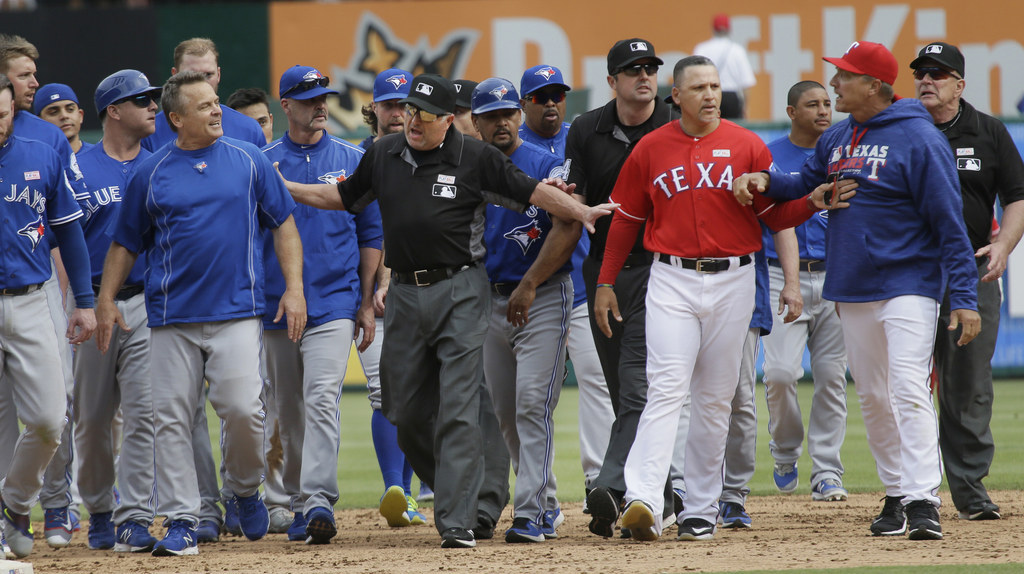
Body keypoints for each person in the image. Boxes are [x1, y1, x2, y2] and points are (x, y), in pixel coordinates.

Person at [276, 73, 615, 549]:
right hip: (407, 296)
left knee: (458, 404)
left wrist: (580, 212)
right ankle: (476, 489)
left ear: (449, 121)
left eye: (427, 115)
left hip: (461, 289)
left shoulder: (475, 157)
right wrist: (287, 186)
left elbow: (533, 192)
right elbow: (344, 198)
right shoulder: (383, 154)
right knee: (402, 408)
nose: (414, 121)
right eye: (412, 110)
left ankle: (459, 520)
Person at [734, 40, 982, 541]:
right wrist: (764, 178)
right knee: (871, 395)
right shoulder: (839, 137)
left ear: (873, 85)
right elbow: (803, 182)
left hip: (908, 281)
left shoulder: (920, 138)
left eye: (844, 76)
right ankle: (896, 492)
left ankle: (922, 499)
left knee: (908, 387)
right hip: (853, 286)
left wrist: (965, 298)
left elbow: (950, 225)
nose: (834, 84)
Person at [596, 55, 834, 542]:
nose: (709, 94)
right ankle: (643, 497)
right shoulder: (650, 148)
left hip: (735, 279)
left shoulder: (745, 144)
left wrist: (809, 203)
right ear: (675, 96)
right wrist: (605, 282)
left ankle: (700, 509)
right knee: (665, 387)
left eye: (715, 86)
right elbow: (625, 220)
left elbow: (775, 215)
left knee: (714, 399)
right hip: (671, 277)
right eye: (699, 87)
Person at [95, 69, 307, 557]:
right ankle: (183, 520)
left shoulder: (248, 158)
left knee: (243, 411)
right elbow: (125, 243)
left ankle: (245, 488)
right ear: (176, 118)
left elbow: (285, 225)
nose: (217, 110)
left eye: (216, 102)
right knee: (170, 419)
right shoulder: (152, 171)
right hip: (171, 317)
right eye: (205, 105)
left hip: (237, 311)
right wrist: (106, 300)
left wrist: (293, 289)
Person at [262, 65, 383, 545]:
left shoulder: (354, 158)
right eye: (309, 98)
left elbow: (371, 232)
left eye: (323, 97)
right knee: (286, 409)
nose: (319, 105)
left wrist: (366, 300)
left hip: (334, 300)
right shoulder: (263, 161)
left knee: (321, 398)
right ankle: (296, 502)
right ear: (285, 105)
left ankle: (317, 501)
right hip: (276, 302)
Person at [566, 37, 677, 538]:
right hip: (605, 271)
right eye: (632, 69)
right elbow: (577, 203)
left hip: (663, 269)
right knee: (620, 389)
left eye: (650, 67)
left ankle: (611, 489)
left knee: (637, 387)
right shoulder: (587, 128)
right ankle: (662, 493)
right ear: (612, 81)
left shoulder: (675, 121)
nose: (644, 75)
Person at [910, 42, 1024, 522]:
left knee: (968, 382)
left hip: (971, 270)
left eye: (939, 73)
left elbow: (1016, 197)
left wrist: (1003, 246)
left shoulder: (989, 131)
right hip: (909, 273)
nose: (927, 80)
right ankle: (908, 491)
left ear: (960, 84)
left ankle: (970, 491)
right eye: (920, 73)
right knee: (903, 383)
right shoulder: (902, 130)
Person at [471, 77, 574, 543]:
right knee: (507, 412)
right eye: (491, 116)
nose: (502, 122)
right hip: (487, 299)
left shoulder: (546, 165)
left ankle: (530, 511)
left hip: (543, 295)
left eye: (509, 113)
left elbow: (569, 226)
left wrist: (531, 284)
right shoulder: (466, 168)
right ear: (476, 123)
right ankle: (546, 500)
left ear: (519, 115)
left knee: (534, 403)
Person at [0, 74, 97, 560]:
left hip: (32, 296)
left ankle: (13, 500)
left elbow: (68, 227)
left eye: (3, 115)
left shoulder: (43, 144)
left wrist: (83, 299)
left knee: (47, 419)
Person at [71, 69, 162, 554]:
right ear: (113, 111)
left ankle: (133, 517)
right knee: (92, 416)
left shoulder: (162, 163)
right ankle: (100, 508)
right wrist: (76, 306)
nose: (153, 106)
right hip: (90, 303)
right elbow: (64, 243)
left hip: (147, 300)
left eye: (154, 98)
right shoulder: (79, 167)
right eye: (141, 100)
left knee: (144, 414)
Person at [519, 64, 614, 504]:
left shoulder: (580, 138)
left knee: (596, 380)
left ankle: (599, 480)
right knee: (533, 399)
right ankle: (541, 498)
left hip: (582, 284)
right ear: (524, 104)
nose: (552, 103)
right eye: (541, 97)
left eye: (557, 94)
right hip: (537, 288)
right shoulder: (514, 148)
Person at [761, 81, 850, 501]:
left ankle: (828, 470)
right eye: (812, 104)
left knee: (832, 377)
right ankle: (784, 451)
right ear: (791, 112)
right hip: (781, 275)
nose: (823, 110)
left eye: (828, 103)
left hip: (836, 275)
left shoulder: (845, 152)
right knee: (779, 374)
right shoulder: (770, 155)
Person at [355, 67, 431, 528]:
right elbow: (369, 230)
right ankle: (393, 487)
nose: (399, 113)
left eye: (407, 105)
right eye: (390, 104)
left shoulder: (429, 155)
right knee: (387, 393)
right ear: (375, 110)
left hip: (420, 288)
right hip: (372, 295)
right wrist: (374, 287)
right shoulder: (363, 157)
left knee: (415, 396)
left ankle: (406, 495)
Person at [141, 37, 264, 152]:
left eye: (208, 75)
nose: (201, 83)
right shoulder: (149, 132)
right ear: (175, 75)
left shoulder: (249, 129)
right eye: (191, 75)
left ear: (219, 75)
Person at [693, 14, 756, 119]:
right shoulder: (737, 50)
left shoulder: (702, 48)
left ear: (713, 29)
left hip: (709, 95)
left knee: (709, 130)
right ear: (729, 30)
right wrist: (745, 108)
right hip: (731, 98)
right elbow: (746, 83)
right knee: (733, 132)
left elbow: (694, 78)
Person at [34, 83, 90, 153]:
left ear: (80, 116)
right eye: (53, 112)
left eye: (70, 109)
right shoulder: (34, 162)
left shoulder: (101, 156)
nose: (64, 116)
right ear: (39, 122)